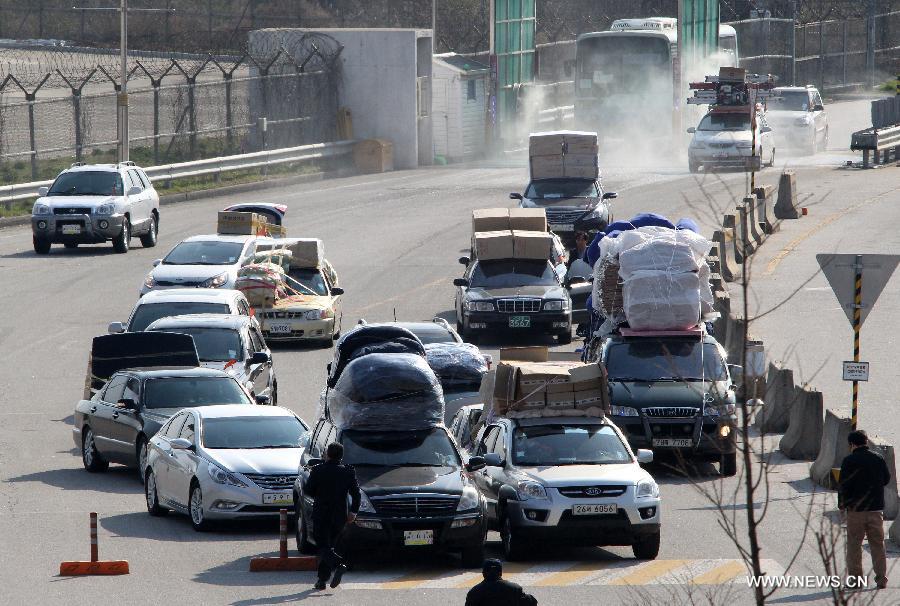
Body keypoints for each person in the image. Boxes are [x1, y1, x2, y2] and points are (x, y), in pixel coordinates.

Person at [304, 442, 361, 590]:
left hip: (321, 514)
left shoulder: (318, 470)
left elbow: (308, 490)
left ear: (328, 454)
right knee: (330, 546)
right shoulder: (348, 472)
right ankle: (322, 580)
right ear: (342, 456)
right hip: (339, 515)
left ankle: (339, 563)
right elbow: (356, 494)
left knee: (323, 545)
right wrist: (353, 512)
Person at [839, 430, 890, 589]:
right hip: (876, 509)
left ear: (852, 444)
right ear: (866, 442)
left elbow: (843, 486)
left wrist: (842, 506)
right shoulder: (878, 458)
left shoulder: (849, 461)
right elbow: (886, 479)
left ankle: (856, 580)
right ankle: (881, 579)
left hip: (856, 510)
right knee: (877, 545)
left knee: (854, 545)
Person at [465, 559, 537, 606]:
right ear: (501, 573)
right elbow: (532, 602)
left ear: (483, 573)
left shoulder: (475, 592)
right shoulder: (515, 589)